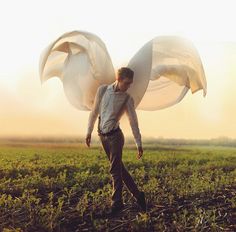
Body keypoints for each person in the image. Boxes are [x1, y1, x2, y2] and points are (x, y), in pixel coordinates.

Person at [85, 67, 146, 215]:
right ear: (118, 79)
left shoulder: (127, 99)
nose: (128, 86)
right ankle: (139, 196)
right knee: (120, 170)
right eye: (126, 83)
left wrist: (139, 143)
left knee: (114, 170)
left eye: (130, 84)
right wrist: (89, 131)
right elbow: (94, 112)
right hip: (103, 137)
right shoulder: (102, 90)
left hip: (116, 138)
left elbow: (133, 122)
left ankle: (117, 203)